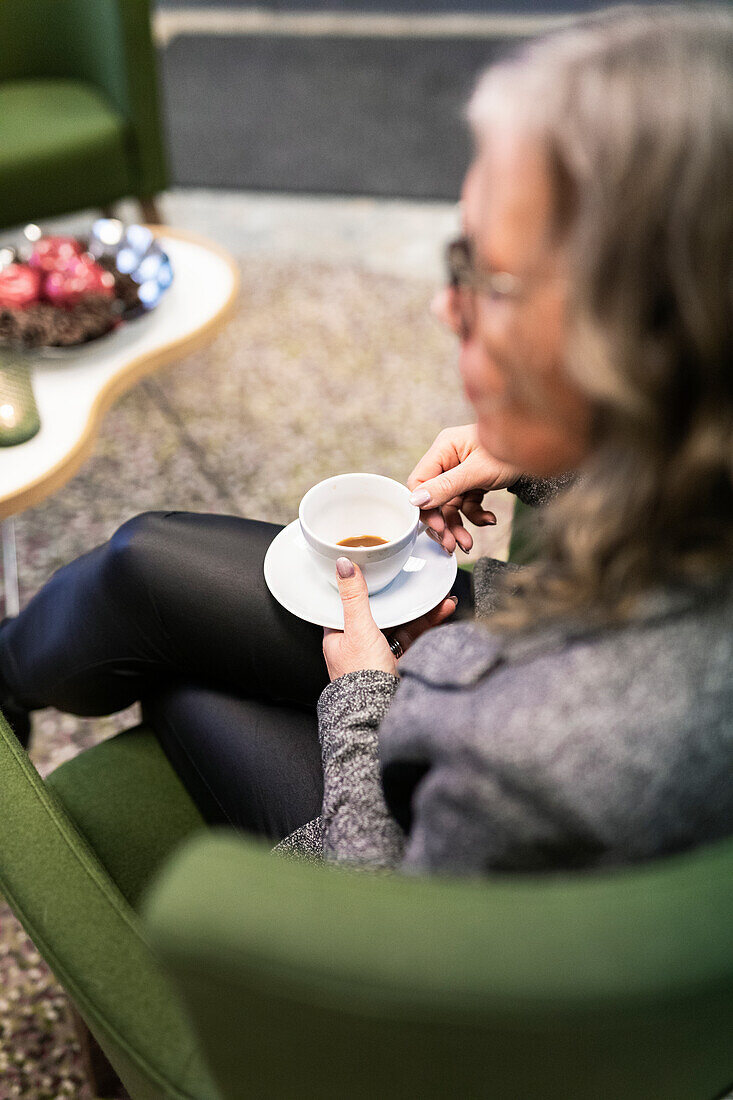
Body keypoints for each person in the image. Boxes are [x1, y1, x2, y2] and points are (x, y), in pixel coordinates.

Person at [1, 5, 731, 874]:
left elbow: (391, 911)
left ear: (638, 337)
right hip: (508, 634)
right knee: (142, 563)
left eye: (481, 275)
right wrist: (563, 451)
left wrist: (362, 697)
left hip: (400, 812)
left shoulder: (555, 757)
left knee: (176, 674)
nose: (441, 306)